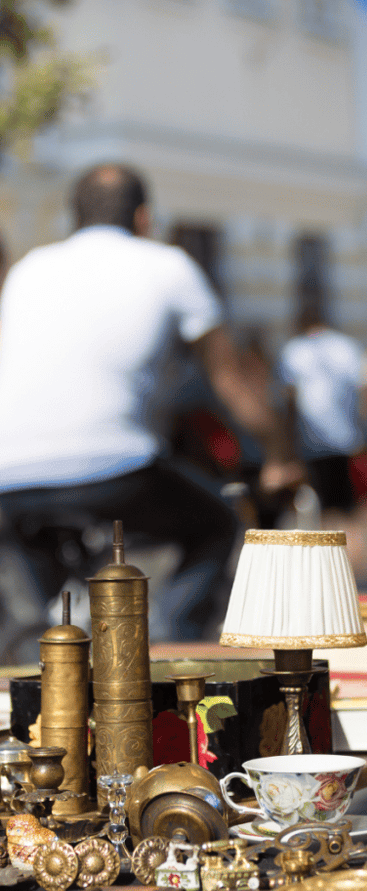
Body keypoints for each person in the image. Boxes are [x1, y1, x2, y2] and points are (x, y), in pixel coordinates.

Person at [0, 163, 304, 638]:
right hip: (114, 467)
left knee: (50, 616)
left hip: (11, 475)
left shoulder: (28, 269)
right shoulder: (169, 265)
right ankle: (172, 642)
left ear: (74, 216)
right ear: (143, 217)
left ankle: (43, 640)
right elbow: (230, 381)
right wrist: (281, 454)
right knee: (216, 524)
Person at [277, 305, 367, 514]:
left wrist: (288, 445)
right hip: (348, 441)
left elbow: (288, 400)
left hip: (312, 443)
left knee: (325, 512)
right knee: (352, 512)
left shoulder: (293, 350)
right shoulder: (346, 345)